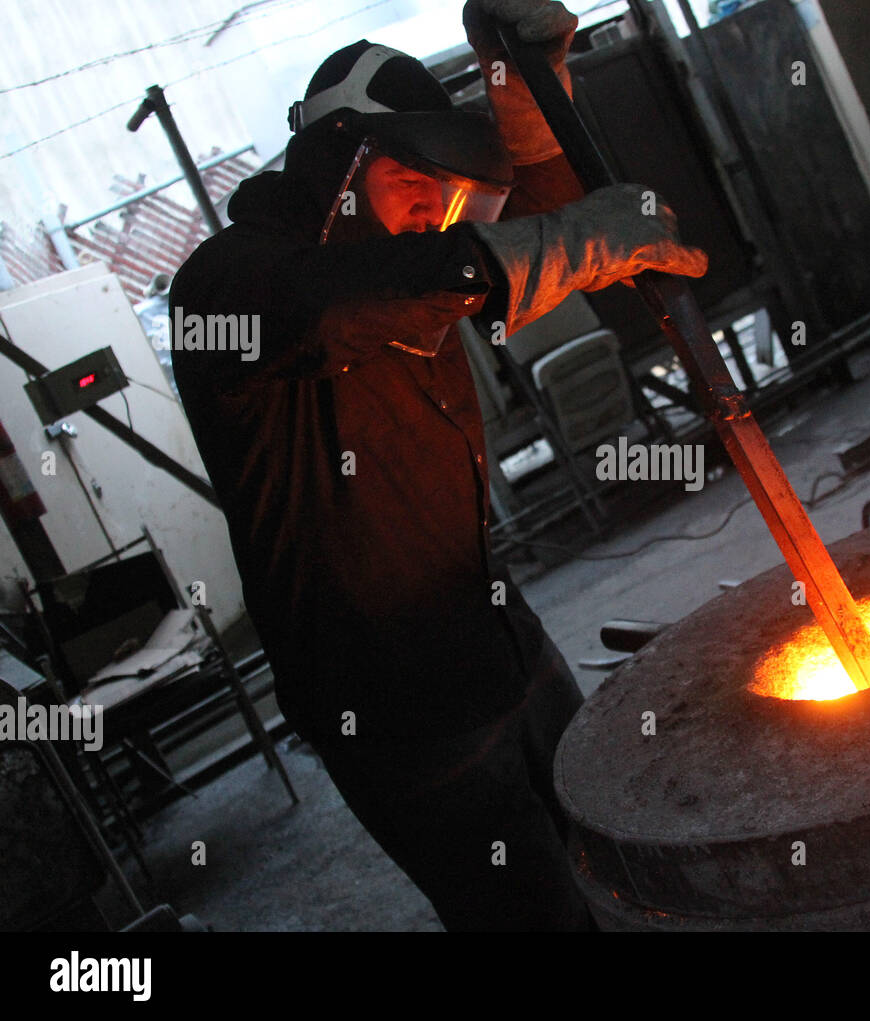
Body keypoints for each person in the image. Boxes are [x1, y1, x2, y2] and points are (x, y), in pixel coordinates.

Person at [169, 0, 707, 931]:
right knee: (528, 910)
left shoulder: (404, 257)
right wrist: (575, 240)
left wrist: (519, 77)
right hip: (391, 700)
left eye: (446, 188)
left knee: (616, 834)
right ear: (339, 163)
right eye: (413, 176)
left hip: (497, 628)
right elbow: (358, 302)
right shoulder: (229, 283)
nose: (436, 205)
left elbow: (523, 227)